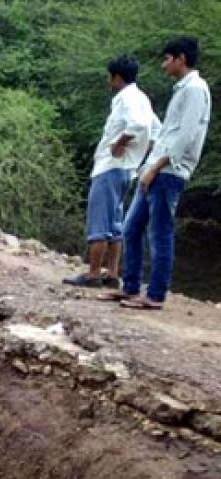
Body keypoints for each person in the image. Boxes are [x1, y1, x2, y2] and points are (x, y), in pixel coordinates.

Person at [105, 37, 211, 310]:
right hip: (156, 168)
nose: (164, 65)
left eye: (167, 59)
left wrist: (156, 166)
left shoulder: (195, 89)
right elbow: (169, 131)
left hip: (169, 171)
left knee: (159, 233)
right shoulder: (184, 89)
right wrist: (148, 166)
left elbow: (186, 136)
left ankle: (155, 295)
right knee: (131, 228)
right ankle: (129, 288)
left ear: (181, 59)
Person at [63, 54, 159, 289]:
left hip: (111, 166)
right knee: (115, 223)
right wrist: (141, 153)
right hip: (128, 168)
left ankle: (94, 273)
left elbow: (138, 125)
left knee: (99, 221)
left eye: (110, 77)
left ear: (116, 77)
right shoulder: (142, 98)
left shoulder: (125, 99)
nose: (109, 82)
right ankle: (113, 272)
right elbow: (156, 130)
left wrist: (120, 143)